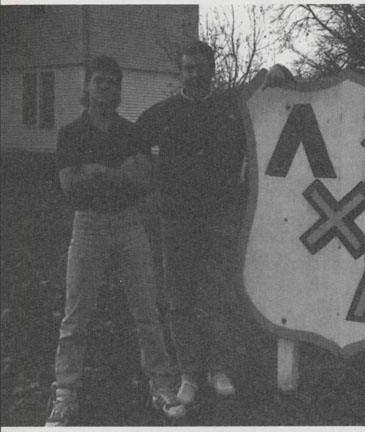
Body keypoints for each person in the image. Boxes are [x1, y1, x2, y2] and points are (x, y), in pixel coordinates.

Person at [136, 41, 292, 407]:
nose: (195, 74)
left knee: (220, 294)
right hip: (176, 220)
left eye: (201, 67)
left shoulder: (230, 105)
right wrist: (149, 194)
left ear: (212, 70)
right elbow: (132, 150)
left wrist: (276, 74)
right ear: (181, 72)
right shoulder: (161, 114)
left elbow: (274, 78)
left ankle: (218, 368)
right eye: (188, 68)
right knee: (179, 299)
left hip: (221, 215)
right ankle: (189, 373)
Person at [45, 56, 186, 426]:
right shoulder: (70, 134)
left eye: (112, 82)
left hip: (129, 225)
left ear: (119, 91)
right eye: (99, 81)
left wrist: (95, 171)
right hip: (88, 227)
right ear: (87, 87)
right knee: (76, 315)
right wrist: (116, 174)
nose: (105, 88)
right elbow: (69, 186)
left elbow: (142, 180)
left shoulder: (131, 132)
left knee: (147, 312)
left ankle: (161, 386)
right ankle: (65, 394)